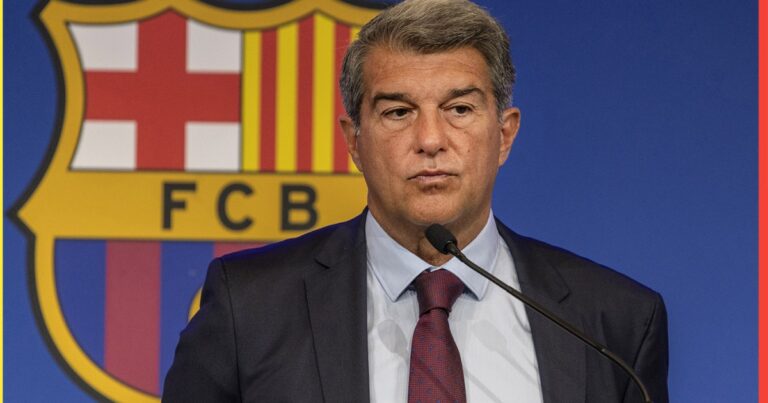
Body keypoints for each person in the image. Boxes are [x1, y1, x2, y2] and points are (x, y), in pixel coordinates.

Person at [163, 0, 669, 402]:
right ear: (354, 141)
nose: (430, 139)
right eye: (398, 112)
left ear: (504, 134)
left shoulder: (613, 322)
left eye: (460, 109)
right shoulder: (250, 307)